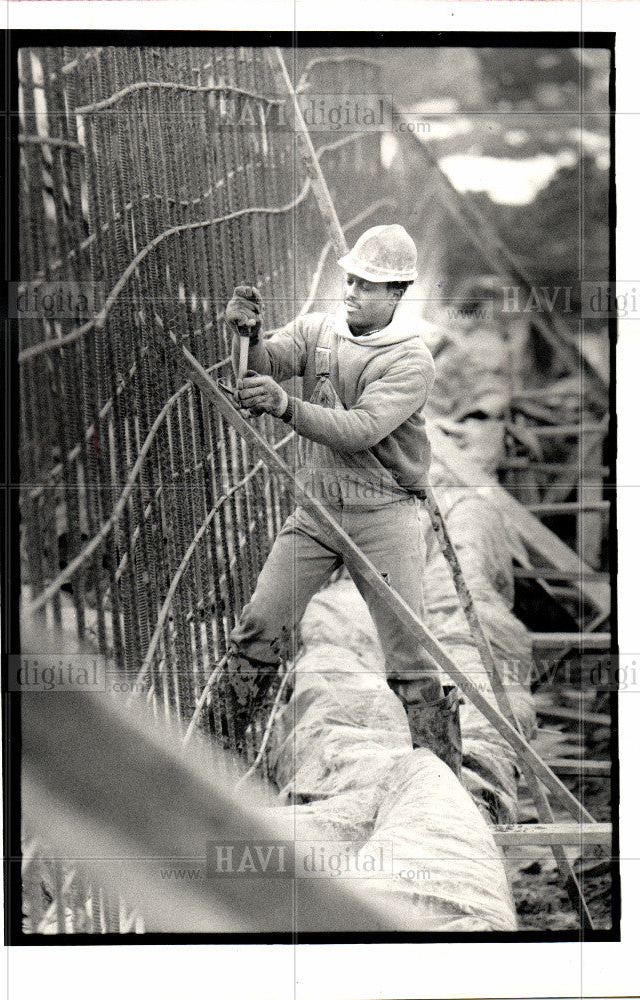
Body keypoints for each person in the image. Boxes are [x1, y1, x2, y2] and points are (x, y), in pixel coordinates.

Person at [220, 224, 462, 774]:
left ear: (398, 294)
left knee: (410, 661)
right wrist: (247, 337)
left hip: (383, 515)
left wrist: (285, 407)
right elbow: (267, 365)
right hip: (318, 512)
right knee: (260, 626)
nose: (352, 291)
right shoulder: (317, 329)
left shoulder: (410, 360)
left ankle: (444, 789)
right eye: (350, 279)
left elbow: (360, 429)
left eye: (369, 285)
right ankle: (216, 763)